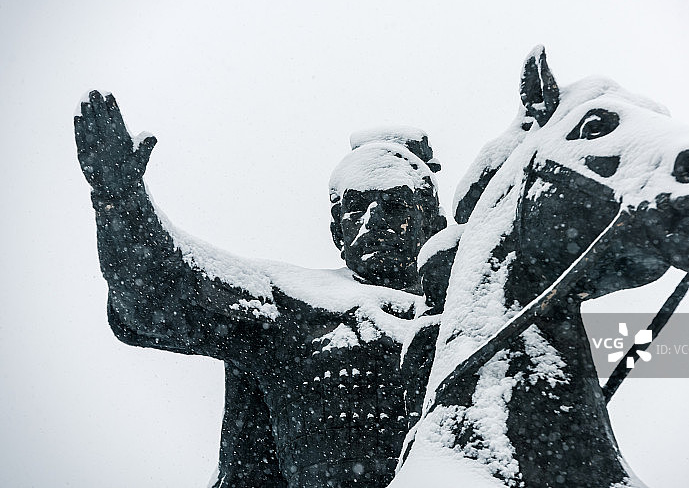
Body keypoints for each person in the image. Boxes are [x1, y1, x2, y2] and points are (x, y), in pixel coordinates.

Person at [75, 91, 446, 488]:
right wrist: (121, 201)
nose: (374, 220)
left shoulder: (469, 313)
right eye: (357, 207)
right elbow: (163, 292)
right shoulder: (291, 304)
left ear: (432, 224)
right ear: (337, 231)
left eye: (394, 205)